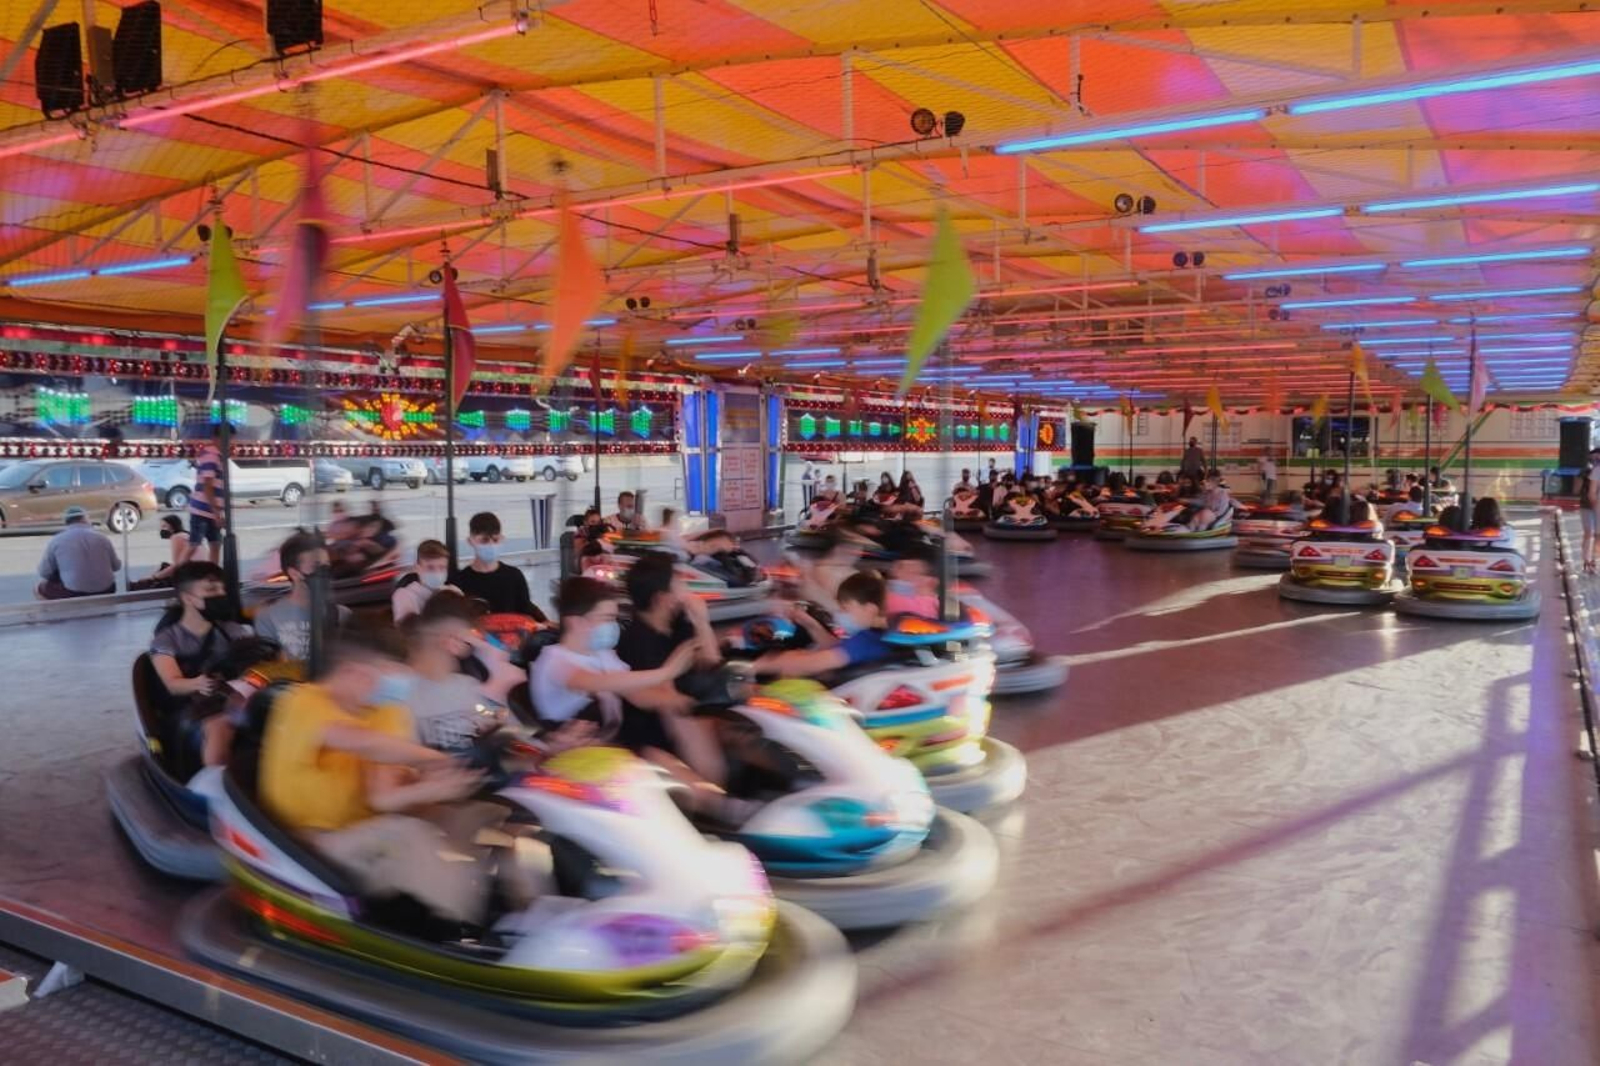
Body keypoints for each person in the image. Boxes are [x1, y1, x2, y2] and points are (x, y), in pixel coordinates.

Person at [258, 635, 507, 932]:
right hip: (310, 843)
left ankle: (510, 915)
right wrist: (435, 762)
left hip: (364, 827)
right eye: (387, 675)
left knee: (482, 816)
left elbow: (383, 794)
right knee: (407, 834)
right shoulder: (304, 701)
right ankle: (457, 934)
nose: (397, 685)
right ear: (352, 672)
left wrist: (433, 786)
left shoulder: (385, 712)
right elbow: (361, 742)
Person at [614, 552, 726, 780]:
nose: (686, 591)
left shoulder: (678, 625)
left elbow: (712, 662)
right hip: (652, 729)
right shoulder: (637, 641)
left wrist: (702, 621)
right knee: (687, 721)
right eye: (679, 585)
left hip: (686, 711)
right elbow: (667, 697)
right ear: (662, 599)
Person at [754, 572, 895, 677]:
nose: (841, 614)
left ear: (869, 609)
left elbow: (812, 664)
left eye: (845, 608)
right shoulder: (887, 633)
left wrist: (759, 666)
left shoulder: (865, 641)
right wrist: (811, 625)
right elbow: (838, 646)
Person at [254, 532, 351, 662]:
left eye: (326, 566)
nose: (324, 572)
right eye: (316, 566)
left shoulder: (341, 614)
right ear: (294, 573)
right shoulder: (268, 616)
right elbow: (269, 665)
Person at [451, 511, 545, 619]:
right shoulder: (460, 580)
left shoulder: (513, 576)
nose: (491, 545)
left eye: (495, 540)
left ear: (502, 539)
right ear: (470, 541)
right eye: (484, 540)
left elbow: (526, 611)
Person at [36, 505, 120, 599]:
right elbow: (117, 566)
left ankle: (61, 613)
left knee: (39, 588)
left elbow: (44, 572)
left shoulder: (56, 540)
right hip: (107, 590)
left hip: (74, 592)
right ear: (84, 519)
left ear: (66, 521)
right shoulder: (102, 538)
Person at [185, 425, 227, 565]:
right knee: (194, 545)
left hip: (209, 511)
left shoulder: (215, 455)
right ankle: (178, 573)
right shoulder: (211, 455)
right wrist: (216, 511)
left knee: (215, 544)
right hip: (202, 510)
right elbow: (207, 485)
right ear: (217, 438)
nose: (230, 443)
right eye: (228, 439)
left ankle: (213, 574)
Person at [393, 539, 459, 622]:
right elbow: (408, 629)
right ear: (417, 568)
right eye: (430, 567)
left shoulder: (453, 591)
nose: (437, 572)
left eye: (442, 567)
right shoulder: (404, 595)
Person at [1583, 448, 1600, 574]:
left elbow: (1592, 493)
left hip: (1594, 506)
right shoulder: (1596, 470)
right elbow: (1592, 493)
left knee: (1597, 537)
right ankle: (1589, 560)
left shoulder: (1596, 469)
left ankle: (1593, 561)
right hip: (1591, 507)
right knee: (1593, 535)